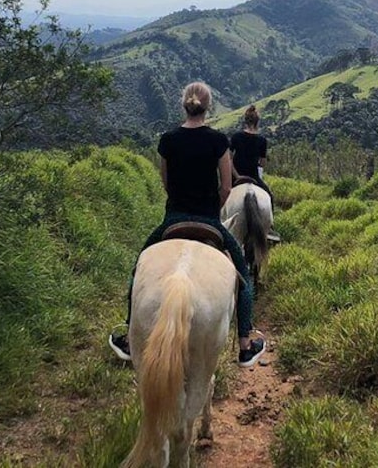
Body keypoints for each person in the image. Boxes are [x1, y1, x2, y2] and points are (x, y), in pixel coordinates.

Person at [109, 82, 266, 367]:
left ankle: (130, 339)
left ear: (184, 104)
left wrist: (180, 204)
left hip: (174, 218)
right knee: (242, 275)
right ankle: (245, 342)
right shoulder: (219, 141)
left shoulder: (168, 140)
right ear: (208, 107)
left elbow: (166, 182)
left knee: (138, 269)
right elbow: (227, 188)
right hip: (208, 218)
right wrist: (212, 212)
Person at [230, 105, 280, 242]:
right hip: (253, 177)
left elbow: (229, 159)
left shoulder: (236, 137)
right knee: (269, 196)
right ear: (258, 122)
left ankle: (217, 222)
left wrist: (237, 176)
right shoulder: (262, 140)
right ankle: (269, 228)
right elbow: (262, 163)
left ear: (245, 121)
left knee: (219, 195)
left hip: (235, 177)